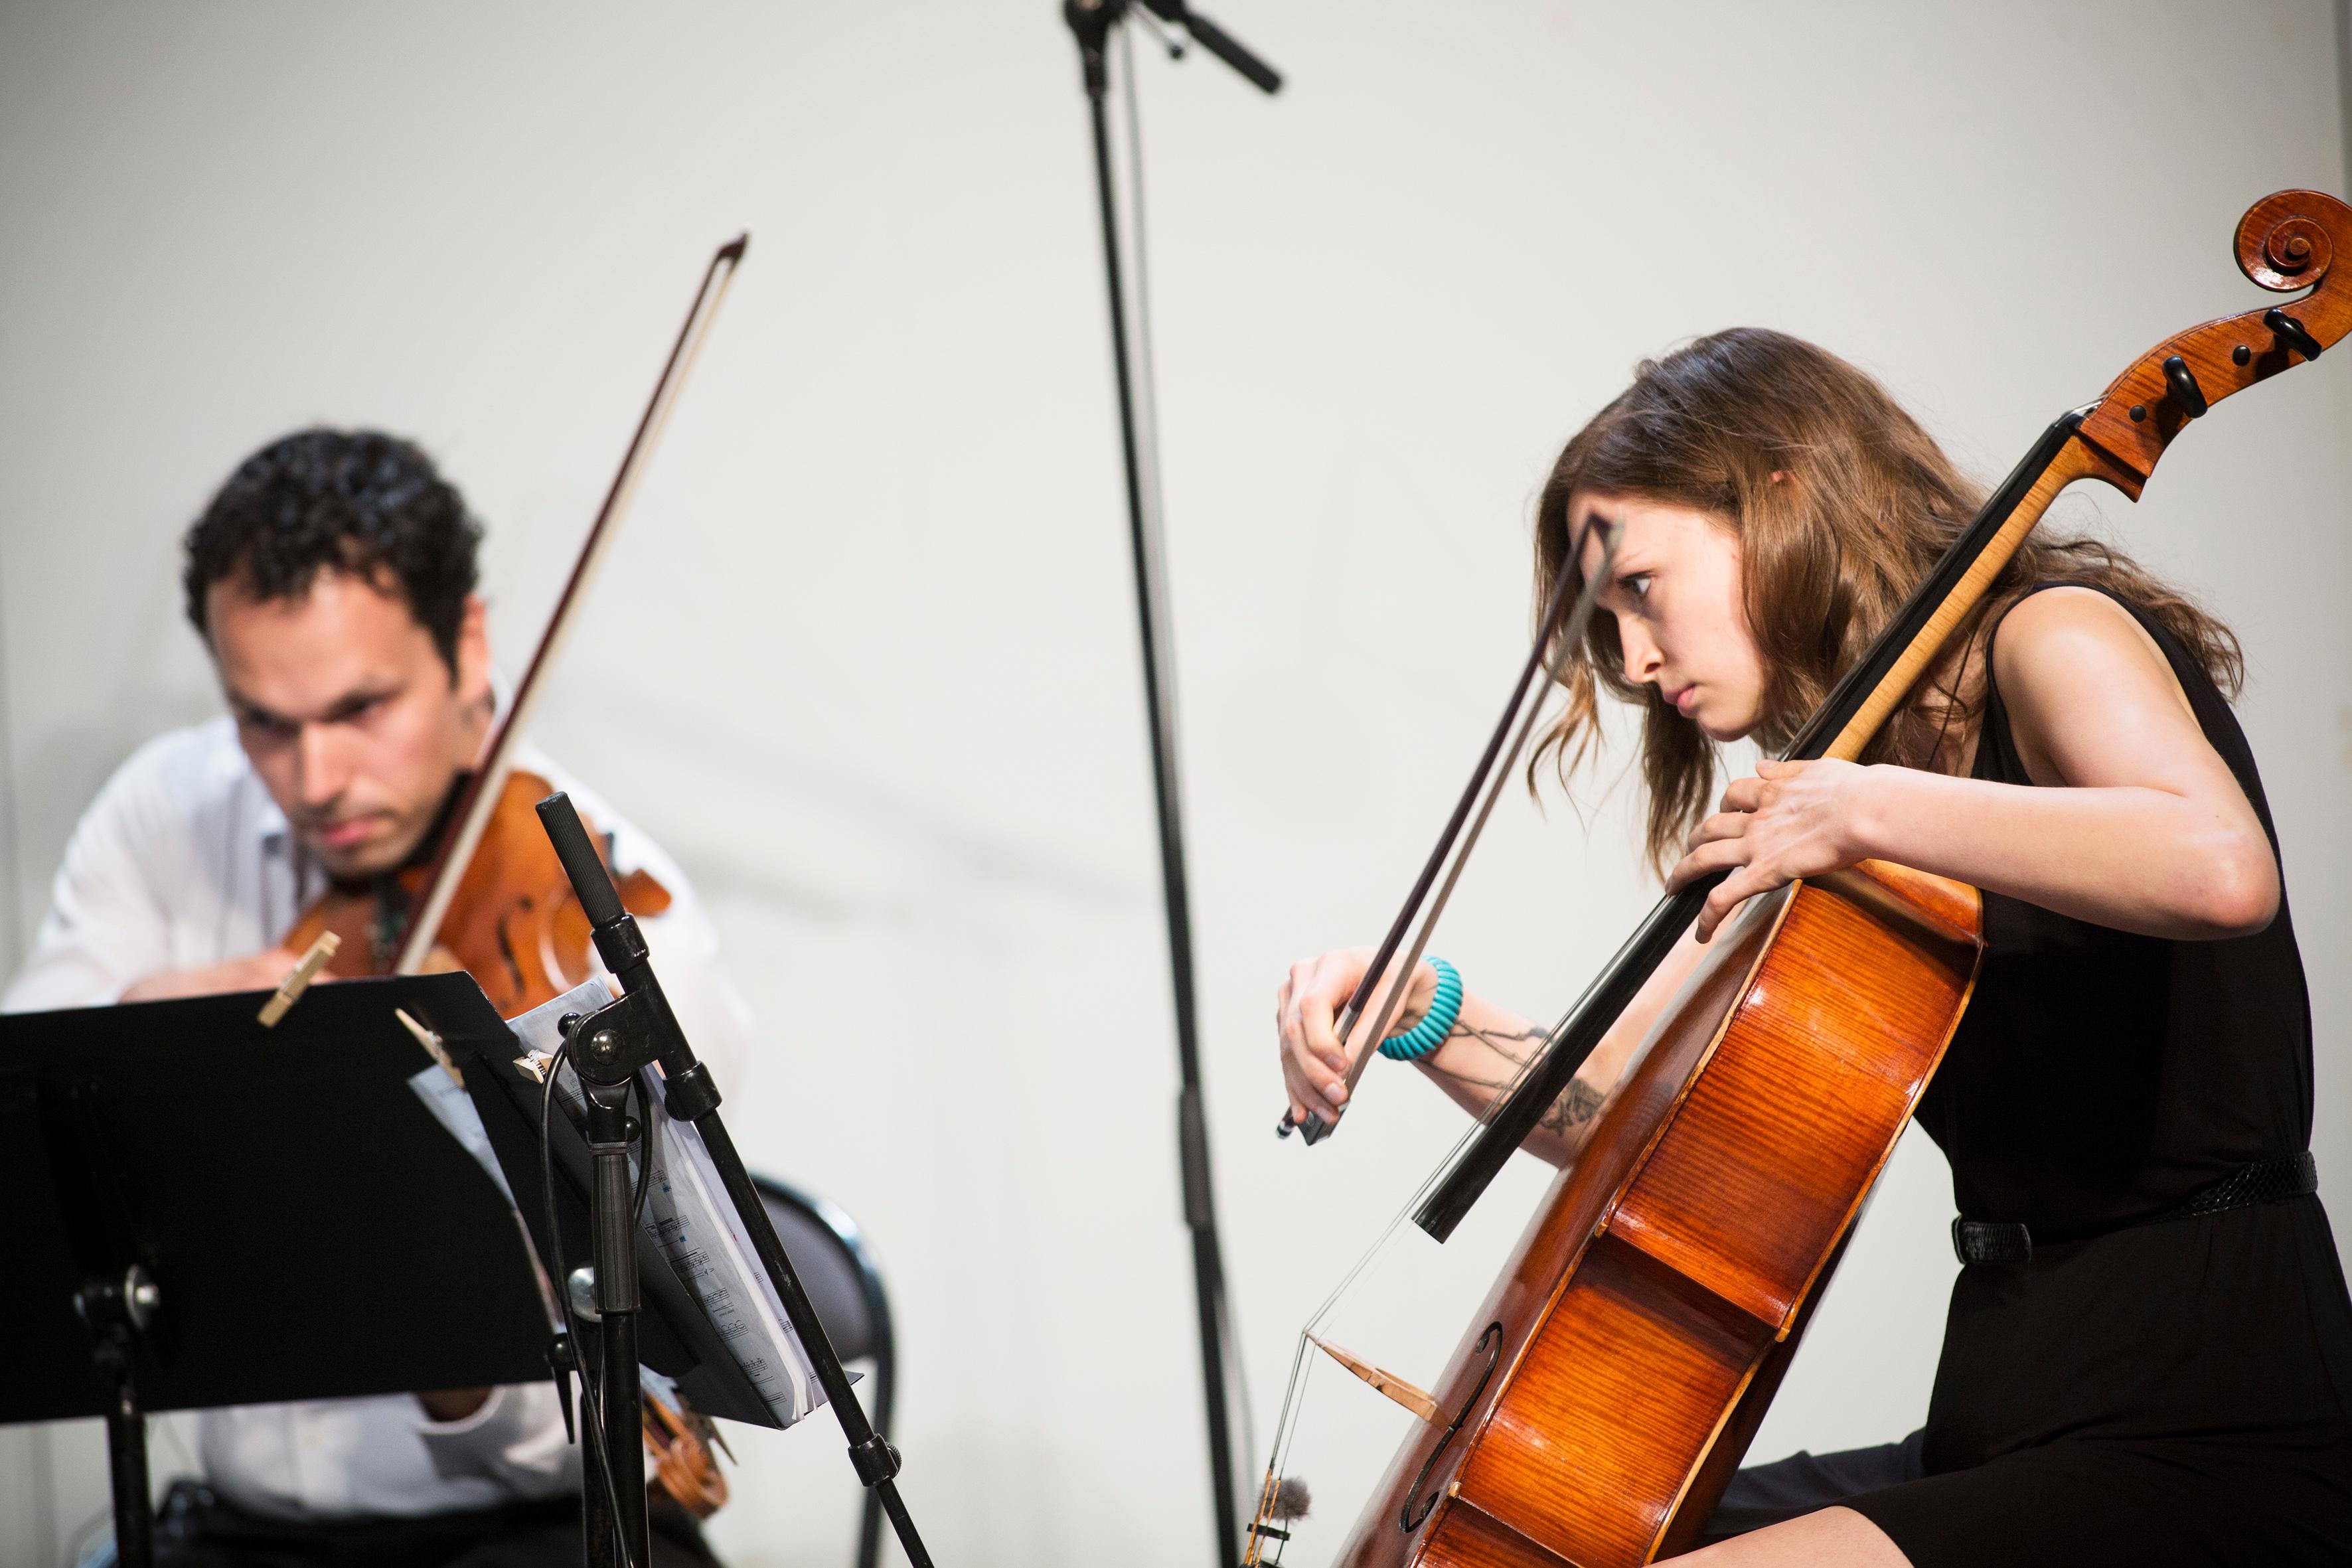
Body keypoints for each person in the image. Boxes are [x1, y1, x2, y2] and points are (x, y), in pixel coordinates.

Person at [1275, 329, 2352, 1566]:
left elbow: (2220, 866)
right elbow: (1622, 1104)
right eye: (1610, 620)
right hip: (2004, 1400)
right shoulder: (1842, 793)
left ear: (1775, 498)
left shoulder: (2048, 638)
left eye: (1642, 587)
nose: (1633, 660)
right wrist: (1420, 1008)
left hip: (2210, 1420)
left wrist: (1857, 809)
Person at [6, 428, 753, 1567]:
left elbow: (622, 1383)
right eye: (264, 720)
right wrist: (169, 1006)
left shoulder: (604, 921)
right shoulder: (165, 811)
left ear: (467, 646)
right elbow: (32, 1092)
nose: (316, 781)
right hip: (240, 1535)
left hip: (542, 1527)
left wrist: (454, 1340)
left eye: (362, 708)